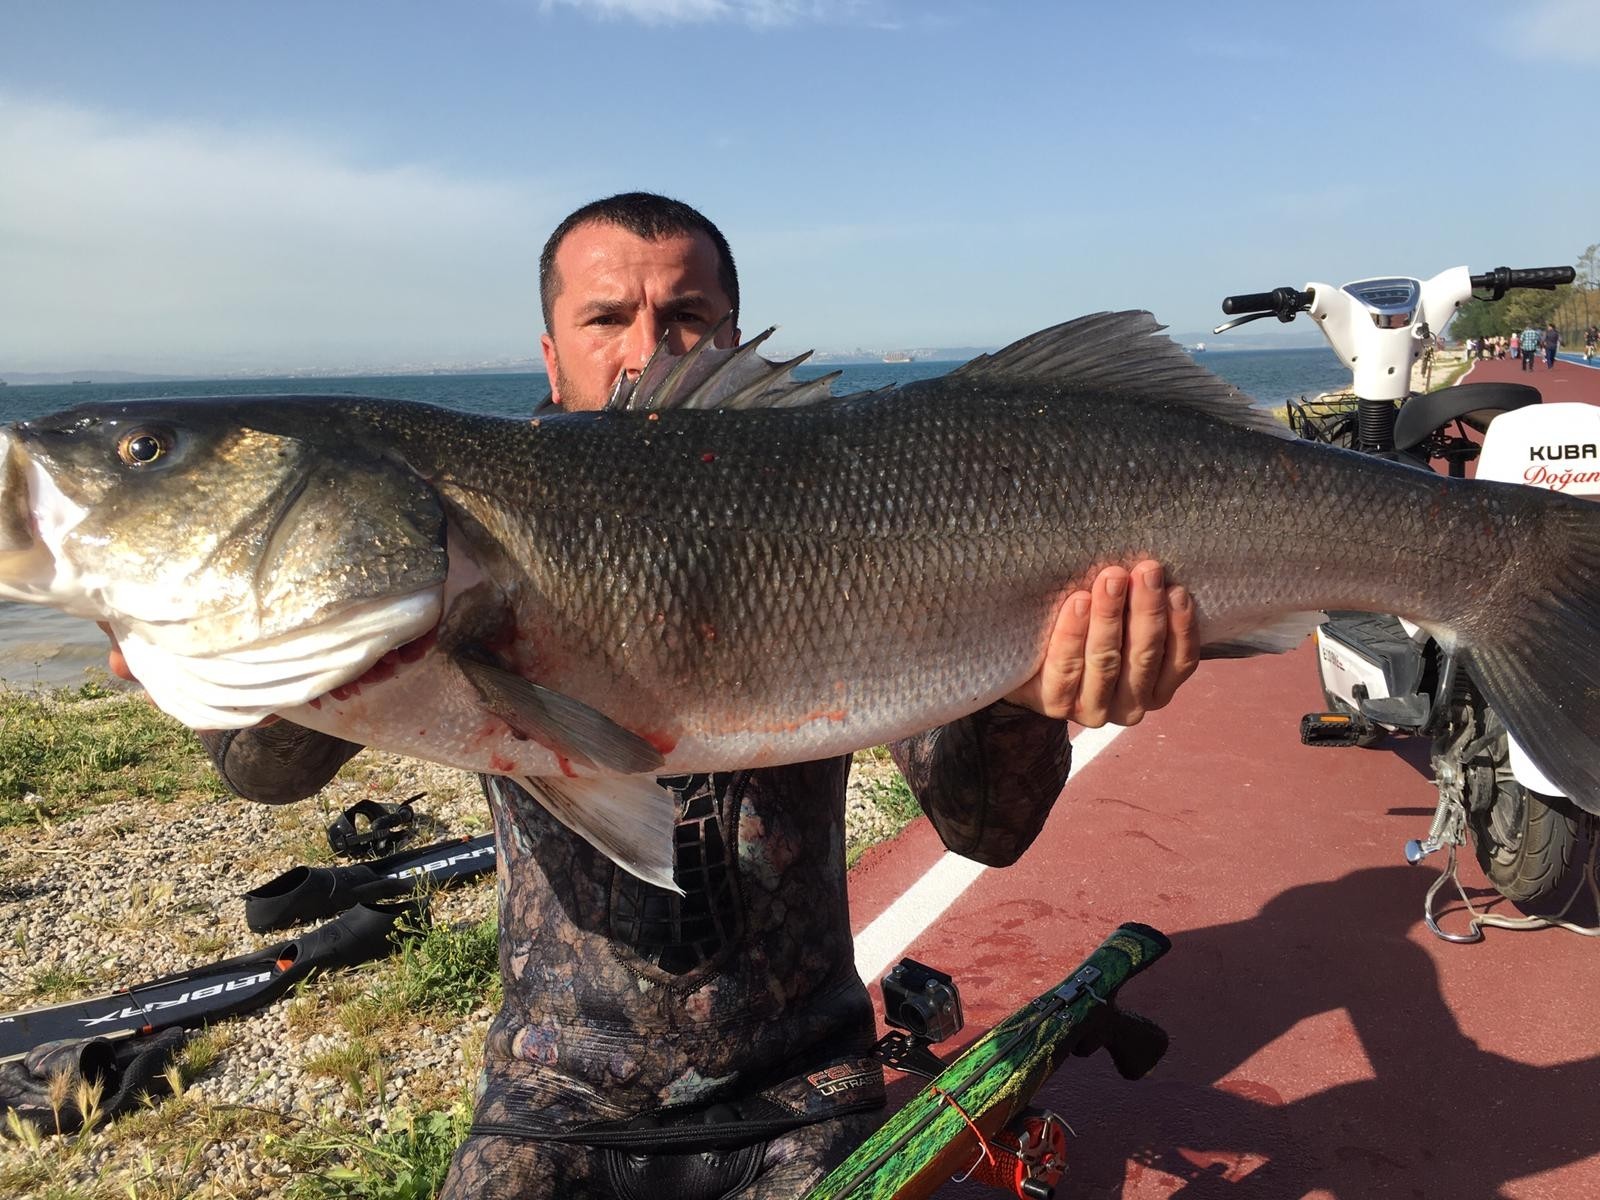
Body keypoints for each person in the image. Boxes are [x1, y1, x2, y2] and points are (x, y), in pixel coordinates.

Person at [111, 193, 1200, 1198]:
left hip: (807, 1085)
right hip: (554, 1096)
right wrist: (216, 630)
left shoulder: (839, 505)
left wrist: (1029, 693)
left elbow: (990, 831)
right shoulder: (466, 527)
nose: (646, 349)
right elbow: (263, 774)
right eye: (604, 319)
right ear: (550, 355)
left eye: (685, 316)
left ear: (733, 338)